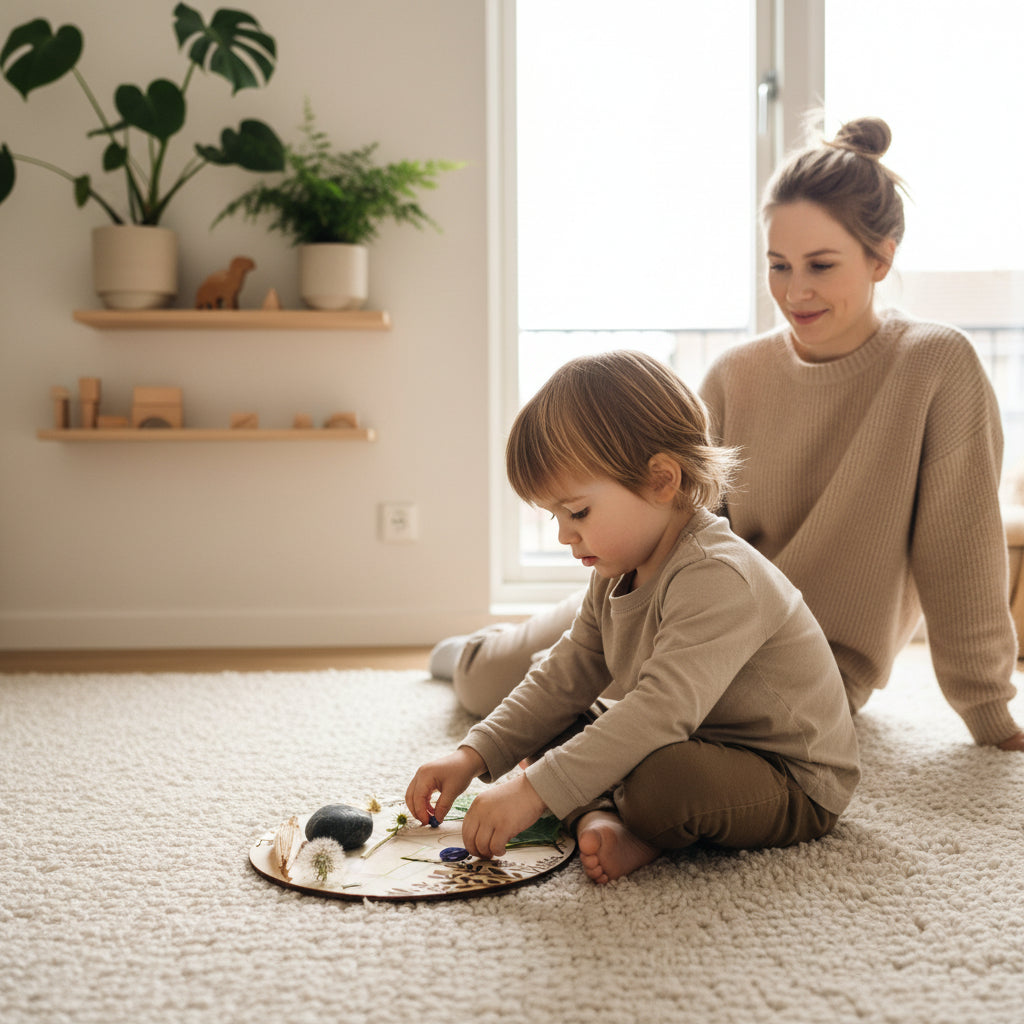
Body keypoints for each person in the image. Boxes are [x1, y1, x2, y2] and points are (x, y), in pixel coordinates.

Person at [432, 115, 1024, 753]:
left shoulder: (937, 366)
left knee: (646, 741)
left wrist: (990, 714)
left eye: (821, 265)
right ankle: (464, 654)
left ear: (882, 258)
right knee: (491, 682)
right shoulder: (737, 373)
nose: (795, 291)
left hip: (812, 661)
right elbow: (673, 521)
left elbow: (960, 552)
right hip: (680, 615)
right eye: (778, 265)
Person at [406, 350, 861, 884]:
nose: (564, 535)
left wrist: (533, 791)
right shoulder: (616, 571)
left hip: (785, 775)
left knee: (661, 783)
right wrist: (474, 752)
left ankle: (635, 827)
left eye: (577, 512)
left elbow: (659, 712)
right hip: (687, 734)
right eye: (554, 516)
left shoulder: (720, 574)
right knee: (554, 727)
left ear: (661, 480)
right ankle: (600, 817)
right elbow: (563, 674)